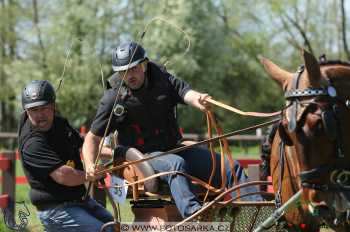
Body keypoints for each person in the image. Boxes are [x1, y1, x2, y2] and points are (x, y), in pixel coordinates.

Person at [82, 41, 262, 218]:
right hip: (143, 156)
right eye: (123, 72)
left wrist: (199, 99)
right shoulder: (113, 98)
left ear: (144, 65)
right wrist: (90, 165)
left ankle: (256, 213)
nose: (130, 75)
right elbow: (92, 139)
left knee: (230, 166)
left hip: (174, 147)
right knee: (175, 165)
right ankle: (195, 215)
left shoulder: (162, 78)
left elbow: (185, 92)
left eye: (134, 69)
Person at [18, 80, 114, 232]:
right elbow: (64, 176)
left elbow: (84, 146)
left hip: (79, 200)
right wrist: (90, 175)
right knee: (105, 230)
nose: (40, 114)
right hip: (55, 210)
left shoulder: (60, 124)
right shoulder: (32, 144)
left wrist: (116, 154)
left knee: (116, 228)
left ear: (53, 106)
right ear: (26, 110)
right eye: (34, 110)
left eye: (44, 107)